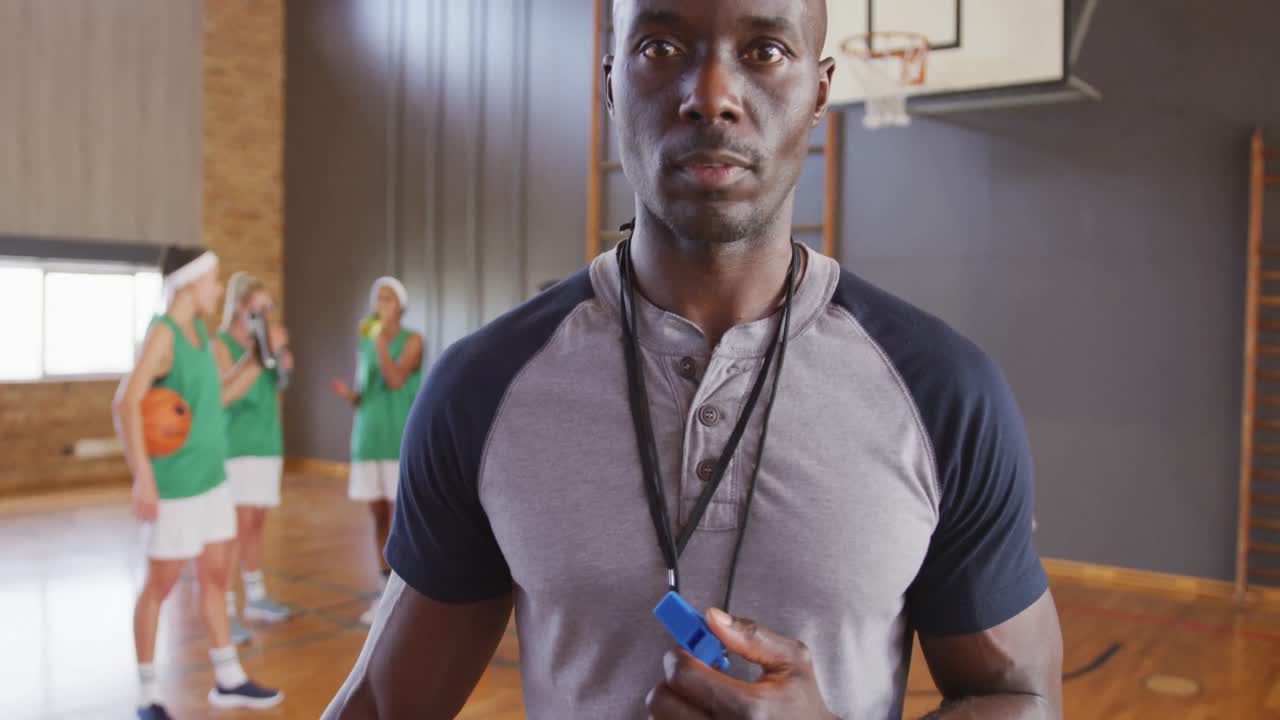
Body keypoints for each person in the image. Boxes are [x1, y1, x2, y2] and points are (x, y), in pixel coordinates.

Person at [322, 0, 1063, 718]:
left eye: (764, 52)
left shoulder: (942, 393)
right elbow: (388, 704)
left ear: (820, 94)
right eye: (661, 48)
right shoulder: (482, 388)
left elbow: (1020, 696)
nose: (711, 97)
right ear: (612, 85)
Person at [113, 247, 283, 719]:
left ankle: (229, 679)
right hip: (176, 486)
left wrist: (256, 360)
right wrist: (143, 479)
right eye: (212, 281)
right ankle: (149, 694)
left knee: (214, 577)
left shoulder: (202, 338)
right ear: (189, 283)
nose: (216, 289)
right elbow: (126, 403)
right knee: (160, 587)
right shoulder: (163, 334)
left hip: (213, 481)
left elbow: (220, 396)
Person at [329, 276, 424, 626]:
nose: (380, 304)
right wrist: (348, 395)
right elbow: (364, 391)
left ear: (400, 305)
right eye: (377, 299)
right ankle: (385, 590)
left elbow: (397, 379)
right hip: (368, 437)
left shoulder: (412, 341)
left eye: (387, 298)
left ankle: (408, 592)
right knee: (379, 517)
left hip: (397, 439)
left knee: (404, 519)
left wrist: (379, 340)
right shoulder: (366, 344)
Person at [214, 273, 294, 641]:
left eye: (268, 308)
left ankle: (256, 596)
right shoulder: (221, 344)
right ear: (240, 308)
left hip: (267, 443)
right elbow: (228, 391)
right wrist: (260, 353)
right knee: (236, 527)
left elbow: (277, 385)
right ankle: (226, 608)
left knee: (257, 522)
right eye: (258, 308)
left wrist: (283, 364)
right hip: (238, 446)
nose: (265, 314)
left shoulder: (266, 346)